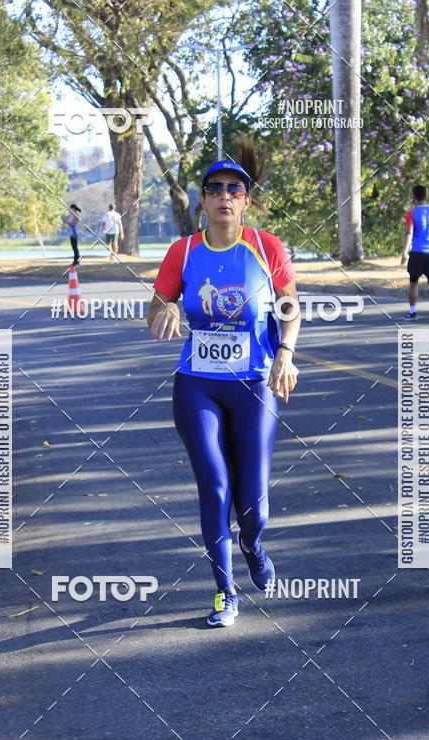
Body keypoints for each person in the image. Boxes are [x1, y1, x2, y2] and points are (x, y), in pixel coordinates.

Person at [147, 146, 300, 628]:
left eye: (235, 189)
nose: (224, 197)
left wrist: (285, 354)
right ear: (204, 202)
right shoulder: (184, 252)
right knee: (214, 487)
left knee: (252, 502)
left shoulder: (266, 247)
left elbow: (290, 307)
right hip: (198, 386)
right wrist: (166, 310)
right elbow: (153, 310)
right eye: (214, 190)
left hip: (255, 384)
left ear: (246, 201)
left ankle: (253, 544)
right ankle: (225, 592)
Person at [401, 185, 429, 321]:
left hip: (417, 252)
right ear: (426, 196)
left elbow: (409, 232)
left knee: (413, 282)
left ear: (414, 197)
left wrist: (404, 252)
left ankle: (413, 312)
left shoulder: (412, 213)